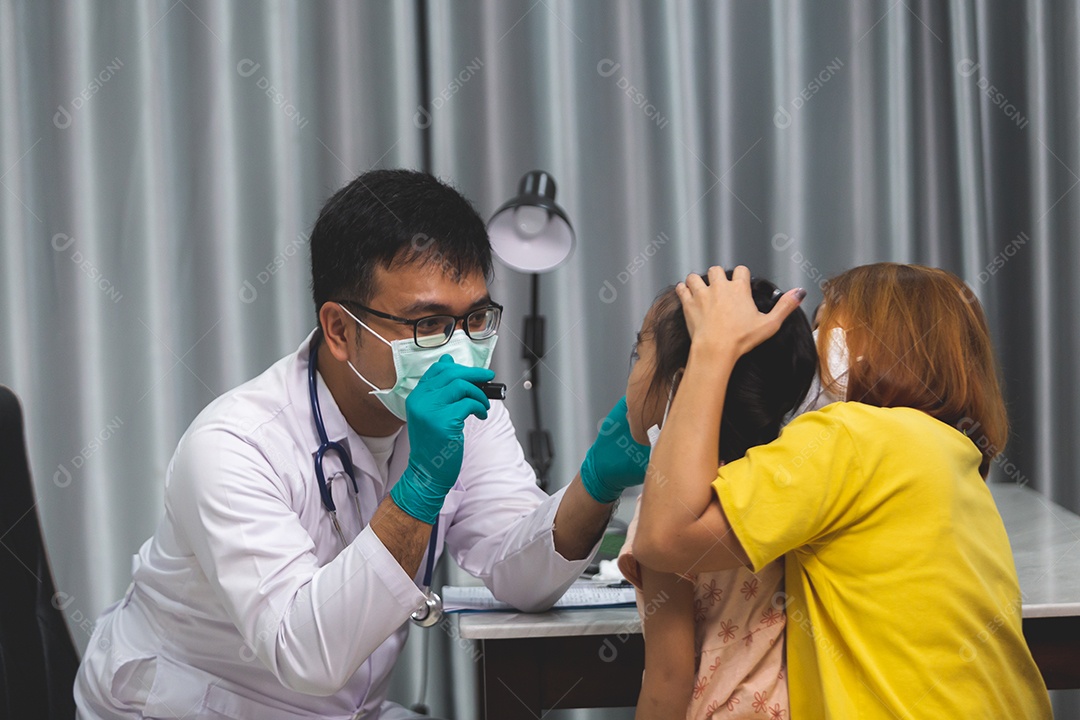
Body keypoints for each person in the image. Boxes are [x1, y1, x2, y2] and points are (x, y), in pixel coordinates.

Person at [75, 170, 651, 719]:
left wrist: (596, 484)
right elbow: (307, 655)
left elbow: (520, 577)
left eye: (476, 317)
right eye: (427, 324)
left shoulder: (469, 414)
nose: (458, 351)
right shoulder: (234, 447)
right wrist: (420, 487)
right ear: (340, 330)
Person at [634, 264, 1053, 718]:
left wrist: (712, 351)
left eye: (821, 325)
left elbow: (667, 539)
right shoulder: (952, 453)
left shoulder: (848, 438)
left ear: (842, 350)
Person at [616, 274, 815, 719]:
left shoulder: (668, 510)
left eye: (639, 353)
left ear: (683, 385)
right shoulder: (783, 481)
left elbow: (667, 682)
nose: (630, 373)